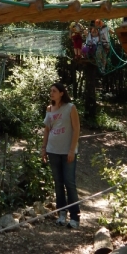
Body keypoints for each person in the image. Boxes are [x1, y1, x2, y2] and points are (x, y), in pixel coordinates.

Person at [41, 82, 81, 229]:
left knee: (69, 183)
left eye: (54, 91)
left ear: (61, 93)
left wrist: (72, 150)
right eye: (50, 91)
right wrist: (43, 148)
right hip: (53, 150)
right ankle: (61, 214)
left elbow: (76, 129)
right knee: (58, 183)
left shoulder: (70, 108)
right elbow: (47, 130)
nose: (51, 93)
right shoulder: (49, 109)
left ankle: (75, 217)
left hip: (67, 152)